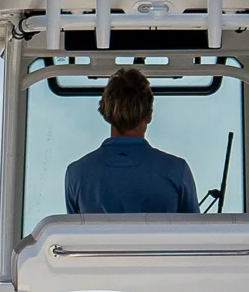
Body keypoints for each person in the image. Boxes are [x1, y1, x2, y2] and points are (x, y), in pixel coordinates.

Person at [65, 67, 198, 214]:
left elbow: (76, 235)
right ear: (149, 115)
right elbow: (196, 234)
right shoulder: (177, 171)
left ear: (105, 112)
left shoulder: (77, 174)